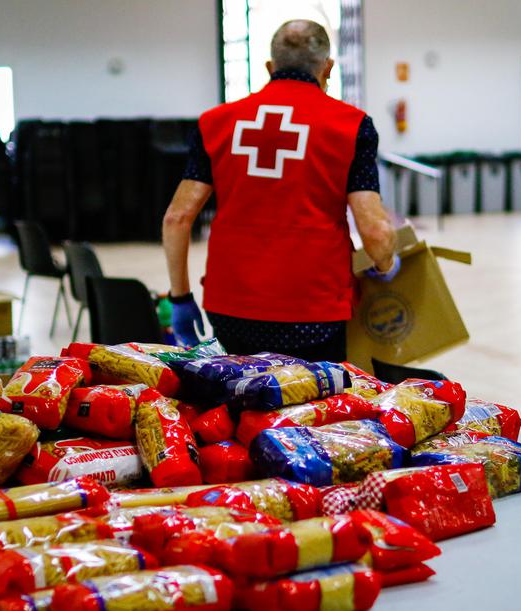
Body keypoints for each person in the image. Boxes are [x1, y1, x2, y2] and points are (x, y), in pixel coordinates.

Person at [162, 19, 399, 361]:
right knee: (314, 409)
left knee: (238, 402)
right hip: (314, 312)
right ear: (328, 68)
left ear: (270, 68)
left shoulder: (215, 123)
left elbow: (177, 218)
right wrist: (386, 261)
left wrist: (181, 298)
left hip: (232, 306)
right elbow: (375, 230)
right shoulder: (351, 126)